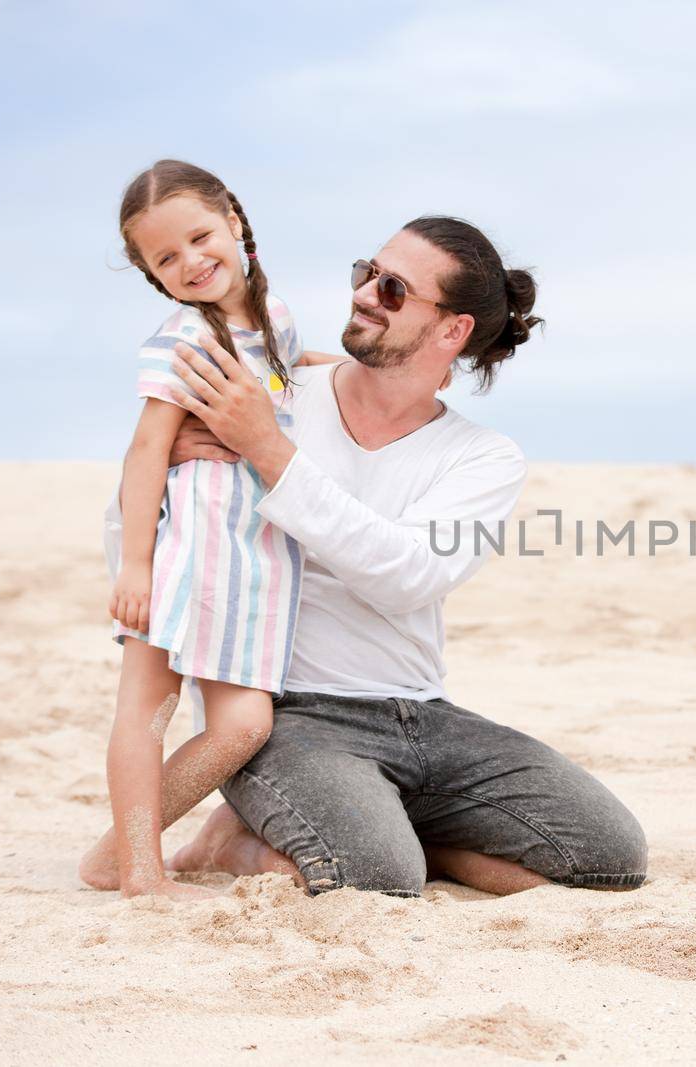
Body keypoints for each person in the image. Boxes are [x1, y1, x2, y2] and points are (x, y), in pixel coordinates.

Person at [123, 215, 647, 898]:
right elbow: (147, 504)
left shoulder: (482, 457)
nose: (365, 293)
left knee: (610, 852)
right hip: (292, 714)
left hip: (424, 712)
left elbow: (408, 576)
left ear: (451, 330)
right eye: (365, 273)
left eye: (394, 289)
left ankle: (412, 835)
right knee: (374, 879)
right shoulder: (272, 400)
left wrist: (270, 455)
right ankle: (235, 839)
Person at [79, 160, 339, 899]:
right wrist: (135, 564)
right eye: (167, 258)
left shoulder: (276, 318)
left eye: (199, 236)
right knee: (146, 709)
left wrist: (338, 369)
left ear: (234, 218)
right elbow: (147, 449)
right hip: (186, 551)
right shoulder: (183, 337)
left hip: (254, 560)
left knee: (243, 724)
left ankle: (108, 853)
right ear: (154, 276)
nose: (192, 261)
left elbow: (288, 377)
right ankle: (138, 867)